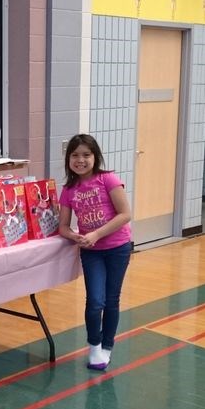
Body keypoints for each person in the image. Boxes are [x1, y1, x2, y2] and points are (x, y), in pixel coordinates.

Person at [58, 134, 132, 371]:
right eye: (75, 155)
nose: (80, 160)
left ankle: (107, 346)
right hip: (91, 252)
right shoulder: (69, 189)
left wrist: (96, 234)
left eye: (86, 155)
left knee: (111, 300)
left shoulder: (107, 179)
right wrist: (74, 236)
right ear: (68, 159)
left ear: (95, 157)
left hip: (118, 248)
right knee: (95, 301)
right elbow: (63, 226)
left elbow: (125, 214)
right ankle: (94, 346)